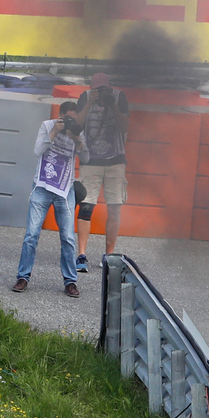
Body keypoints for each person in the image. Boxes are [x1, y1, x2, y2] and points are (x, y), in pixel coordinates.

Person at [12, 101, 84, 298]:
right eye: (67, 118)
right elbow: (37, 151)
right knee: (31, 235)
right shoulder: (47, 125)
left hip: (65, 189)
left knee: (68, 238)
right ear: (60, 115)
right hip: (42, 186)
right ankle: (23, 277)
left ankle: (70, 281)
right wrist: (54, 133)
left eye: (73, 118)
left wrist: (77, 139)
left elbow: (86, 158)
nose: (70, 121)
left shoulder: (77, 130)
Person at [74, 73, 129, 272]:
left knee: (115, 207)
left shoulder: (119, 97)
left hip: (115, 160)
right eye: (97, 89)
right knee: (86, 206)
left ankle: (109, 254)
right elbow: (76, 125)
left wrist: (112, 104)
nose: (101, 92)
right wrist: (89, 103)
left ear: (110, 86)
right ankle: (81, 254)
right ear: (91, 87)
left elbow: (125, 126)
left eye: (103, 88)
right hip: (90, 160)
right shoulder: (84, 97)